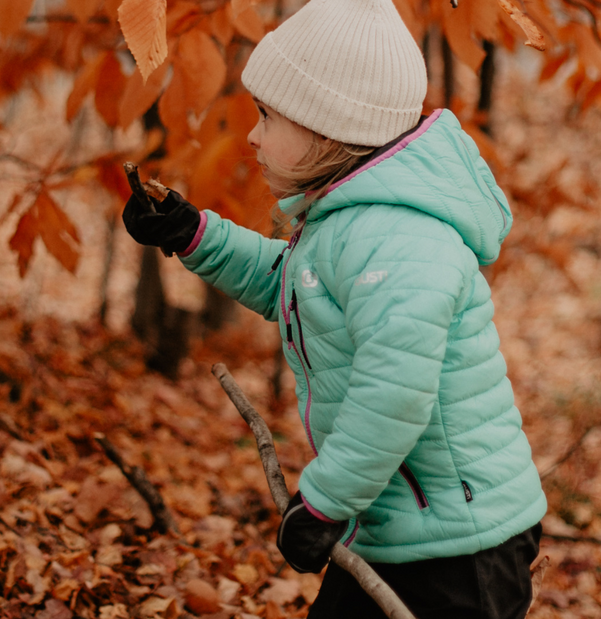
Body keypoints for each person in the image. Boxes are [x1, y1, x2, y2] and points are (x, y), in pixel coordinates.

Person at [121, 0, 547, 616]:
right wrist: (194, 235)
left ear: (328, 127)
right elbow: (290, 286)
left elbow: (394, 393)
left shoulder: (402, 238)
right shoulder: (347, 221)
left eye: (268, 116)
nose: (252, 134)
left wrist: (323, 501)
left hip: (462, 543)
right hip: (401, 530)